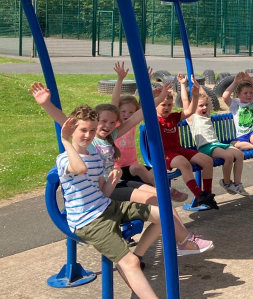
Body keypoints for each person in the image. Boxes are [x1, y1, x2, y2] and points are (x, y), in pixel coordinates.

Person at [56, 106, 200, 299]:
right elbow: (79, 168)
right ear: (72, 129)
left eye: (92, 131)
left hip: (107, 206)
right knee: (130, 262)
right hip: (88, 221)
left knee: (164, 213)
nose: (88, 135)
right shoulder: (64, 158)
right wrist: (64, 139)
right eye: (83, 130)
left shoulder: (94, 153)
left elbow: (101, 190)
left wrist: (111, 182)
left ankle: (183, 242)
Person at [29, 82, 212, 256]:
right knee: (158, 200)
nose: (107, 126)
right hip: (103, 191)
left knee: (162, 198)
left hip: (115, 182)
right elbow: (65, 121)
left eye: (111, 122)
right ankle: (184, 241)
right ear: (93, 123)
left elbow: (136, 117)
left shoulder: (111, 136)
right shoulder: (91, 140)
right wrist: (46, 104)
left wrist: (158, 98)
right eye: (103, 121)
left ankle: (169, 245)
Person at [111, 61, 188, 202]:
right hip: (119, 169)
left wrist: (148, 85)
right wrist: (120, 79)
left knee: (155, 171)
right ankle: (165, 192)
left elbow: (148, 105)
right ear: (117, 112)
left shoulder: (131, 124)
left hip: (131, 166)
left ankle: (162, 194)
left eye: (130, 112)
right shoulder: (115, 125)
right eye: (123, 111)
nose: (127, 114)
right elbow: (114, 102)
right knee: (138, 168)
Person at [157, 76, 218, 209]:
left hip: (178, 150)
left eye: (169, 105)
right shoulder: (153, 120)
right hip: (165, 154)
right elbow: (145, 108)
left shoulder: (173, 117)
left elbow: (190, 111)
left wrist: (195, 96)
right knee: (184, 164)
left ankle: (207, 195)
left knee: (207, 161)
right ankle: (199, 195)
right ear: (156, 105)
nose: (167, 108)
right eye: (163, 105)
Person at [182, 77, 248, 196]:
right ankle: (226, 183)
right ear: (194, 106)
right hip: (206, 147)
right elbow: (185, 100)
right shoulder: (192, 117)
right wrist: (183, 85)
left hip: (217, 144)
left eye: (206, 105)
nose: (204, 108)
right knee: (228, 156)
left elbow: (204, 95)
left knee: (239, 154)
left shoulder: (206, 115)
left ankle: (237, 184)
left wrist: (197, 84)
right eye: (201, 106)